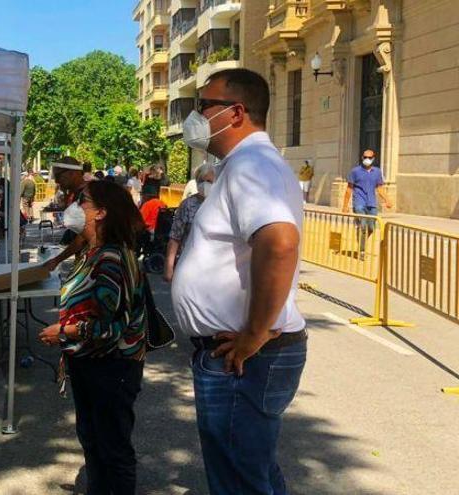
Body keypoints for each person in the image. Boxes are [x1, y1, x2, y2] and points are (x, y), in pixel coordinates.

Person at [170, 69, 306, 495]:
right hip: (239, 355)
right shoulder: (241, 166)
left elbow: (280, 243)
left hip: (243, 358)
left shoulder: (252, 165)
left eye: (203, 106)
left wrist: (253, 334)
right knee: (253, 471)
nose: (195, 116)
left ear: (236, 113)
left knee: (239, 480)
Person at [38, 179, 147, 495]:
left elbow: (111, 328)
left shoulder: (111, 259)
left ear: (100, 212)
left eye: (81, 201)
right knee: (93, 440)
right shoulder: (91, 251)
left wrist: (65, 331)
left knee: (113, 446)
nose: (74, 206)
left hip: (112, 367)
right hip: (88, 363)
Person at [164, 163, 214, 283]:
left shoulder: (223, 204)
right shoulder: (187, 204)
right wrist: (169, 267)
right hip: (189, 264)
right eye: (202, 180)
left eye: (210, 181)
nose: (206, 184)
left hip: (214, 268)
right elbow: (175, 236)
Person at [342, 150, 392, 260]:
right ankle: (362, 251)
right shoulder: (355, 171)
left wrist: (387, 200)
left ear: (374, 158)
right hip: (359, 202)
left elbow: (379, 188)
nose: (367, 159)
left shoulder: (377, 172)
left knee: (371, 228)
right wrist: (345, 206)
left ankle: (360, 237)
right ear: (362, 157)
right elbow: (349, 189)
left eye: (369, 157)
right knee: (363, 226)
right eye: (365, 157)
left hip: (372, 203)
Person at [43, 157, 88, 272]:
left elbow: (83, 236)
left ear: (72, 173)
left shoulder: (86, 195)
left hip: (94, 262)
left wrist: (57, 260)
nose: (57, 181)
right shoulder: (77, 194)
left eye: (58, 176)